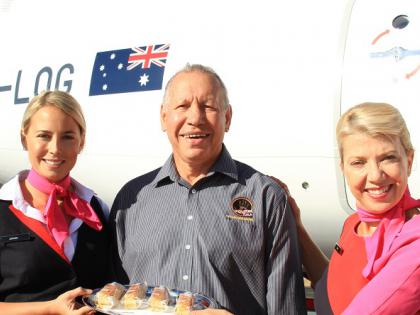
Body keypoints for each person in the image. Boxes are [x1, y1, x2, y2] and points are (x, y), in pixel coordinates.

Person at [110, 64, 306, 315]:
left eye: (209, 106)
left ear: (227, 118)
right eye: (182, 106)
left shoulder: (266, 197)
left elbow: (287, 308)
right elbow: (112, 299)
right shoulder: (131, 199)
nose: (195, 118)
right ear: (163, 117)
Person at [277, 102, 420, 314]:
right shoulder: (354, 224)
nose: (375, 176)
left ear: (408, 161)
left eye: (388, 158)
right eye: (359, 162)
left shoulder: (414, 243)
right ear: (343, 167)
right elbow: (335, 286)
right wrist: (296, 229)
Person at [0, 91, 111, 314]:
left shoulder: (97, 209)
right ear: (24, 139)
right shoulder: (3, 209)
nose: (55, 149)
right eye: (43, 136)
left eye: (68, 136)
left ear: (82, 142)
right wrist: (50, 309)